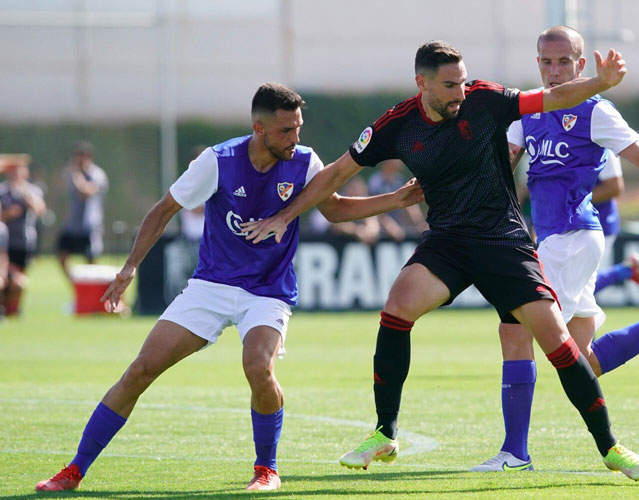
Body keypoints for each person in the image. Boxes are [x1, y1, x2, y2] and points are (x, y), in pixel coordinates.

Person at [242, 40, 639, 481]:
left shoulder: (486, 99)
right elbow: (336, 173)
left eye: (462, 81)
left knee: (558, 342)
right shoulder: (396, 126)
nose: (460, 91)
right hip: (448, 241)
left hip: (503, 241)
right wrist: (285, 215)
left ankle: (610, 447)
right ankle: (385, 432)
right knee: (397, 307)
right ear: (422, 83)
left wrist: (601, 82)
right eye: (449, 84)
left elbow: (553, 98)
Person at [34, 83, 423, 492]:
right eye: (286, 130)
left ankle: (266, 470)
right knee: (140, 370)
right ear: (259, 128)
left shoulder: (305, 161)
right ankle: (74, 470)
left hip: (267, 291)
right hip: (211, 286)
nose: (296, 139)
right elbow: (164, 209)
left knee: (258, 365)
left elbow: (337, 208)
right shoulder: (217, 161)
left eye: (299, 128)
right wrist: (130, 267)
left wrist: (396, 200)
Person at [478, 26, 639, 472]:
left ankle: (514, 453)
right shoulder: (528, 109)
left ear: (581, 65)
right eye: (546, 61)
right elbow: (504, 165)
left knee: (514, 329)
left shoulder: (596, 111)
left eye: (563, 62)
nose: (554, 72)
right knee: (583, 361)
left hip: (573, 237)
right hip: (557, 240)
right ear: (537, 63)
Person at [592, 153, 639, 295]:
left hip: (599, 223)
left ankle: (627, 271)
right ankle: (627, 270)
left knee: (578, 288)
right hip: (563, 223)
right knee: (573, 286)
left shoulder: (602, 140)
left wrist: (572, 202)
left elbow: (614, 187)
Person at [0, 156, 47, 316]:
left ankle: (13, 308)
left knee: (20, 279)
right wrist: (8, 213)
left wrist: (27, 198)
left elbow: (41, 210)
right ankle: (4, 307)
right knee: (6, 277)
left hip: (25, 241)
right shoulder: (3, 190)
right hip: (5, 242)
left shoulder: (32, 190)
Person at [57, 141, 109, 280]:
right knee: (62, 255)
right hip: (72, 225)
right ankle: (76, 285)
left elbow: (85, 192)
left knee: (91, 261)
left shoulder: (97, 174)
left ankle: (92, 289)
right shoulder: (71, 173)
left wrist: (78, 176)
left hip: (89, 226)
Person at [368, 159, 427, 241]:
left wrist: (420, 223)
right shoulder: (376, 181)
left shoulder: (399, 180)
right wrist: (390, 226)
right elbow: (373, 207)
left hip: (398, 230)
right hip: (380, 231)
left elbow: (410, 206)